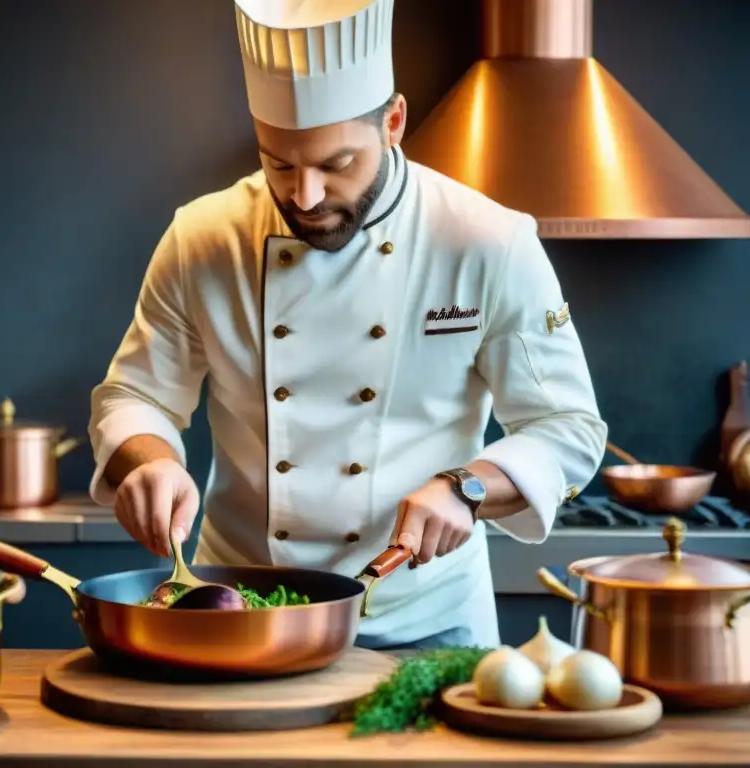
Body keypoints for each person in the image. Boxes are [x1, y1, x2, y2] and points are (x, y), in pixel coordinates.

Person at [86, 0, 607, 651]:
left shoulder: (487, 242)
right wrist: (149, 461)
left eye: (336, 165)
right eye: (280, 163)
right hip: (246, 608)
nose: (304, 197)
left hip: (430, 617)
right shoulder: (202, 237)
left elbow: (568, 429)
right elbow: (135, 395)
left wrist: (467, 488)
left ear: (393, 122)